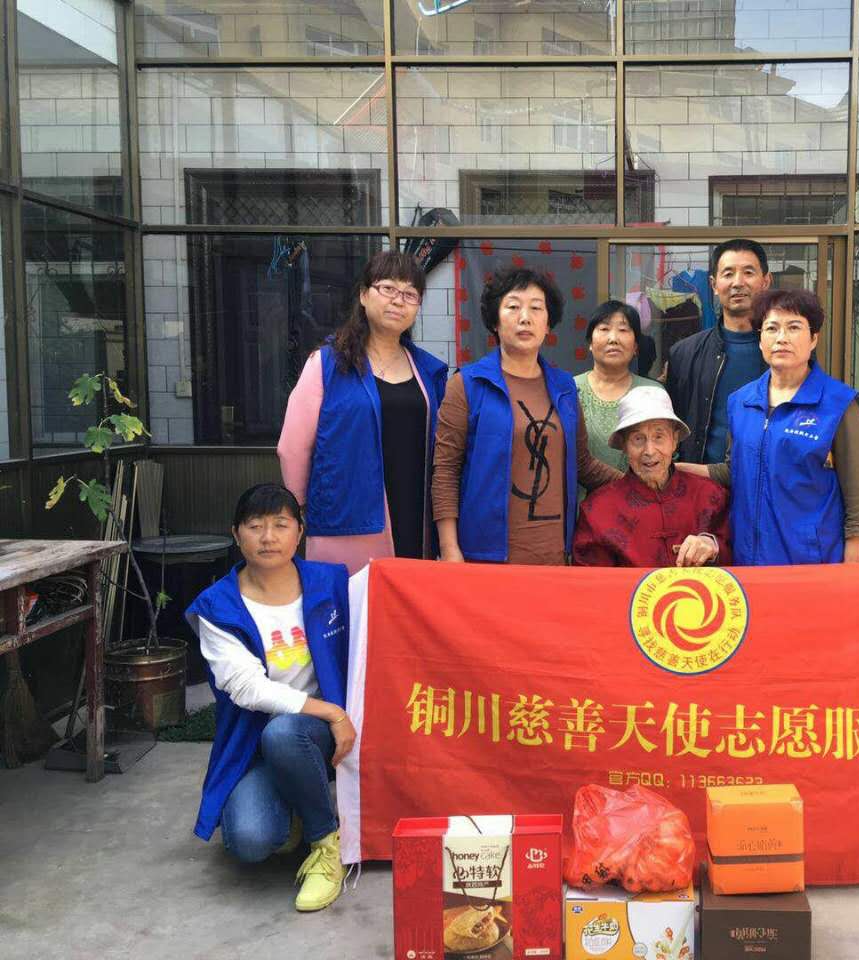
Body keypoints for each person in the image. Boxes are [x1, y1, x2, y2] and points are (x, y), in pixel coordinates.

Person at [186, 483, 352, 912]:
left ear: (299, 532)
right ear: (236, 534)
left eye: (280, 524)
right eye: (255, 526)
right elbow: (248, 687)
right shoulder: (218, 606)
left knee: (285, 734)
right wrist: (332, 712)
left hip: (319, 736)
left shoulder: (332, 583)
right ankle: (299, 800)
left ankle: (325, 844)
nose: (268, 537)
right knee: (250, 841)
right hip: (259, 741)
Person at [432, 267, 621, 565]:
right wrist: (449, 548)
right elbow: (446, 471)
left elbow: (582, 463)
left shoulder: (564, 387)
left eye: (536, 308)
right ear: (495, 321)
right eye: (513, 307)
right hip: (485, 558)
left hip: (555, 556)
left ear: (548, 324)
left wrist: (640, 483)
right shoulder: (467, 385)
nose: (525, 317)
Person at [278, 251, 448, 574]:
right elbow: (292, 447)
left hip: (415, 508)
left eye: (410, 294)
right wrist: (298, 509)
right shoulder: (328, 364)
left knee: (407, 598)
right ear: (363, 295)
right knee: (353, 600)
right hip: (349, 515)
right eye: (388, 289)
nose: (398, 301)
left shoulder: (428, 370)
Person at [681, 289, 859, 565]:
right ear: (760, 340)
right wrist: (677, 469)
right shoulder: (741, 401)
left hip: (812, 560)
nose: (782, 337)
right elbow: (735, 470)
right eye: (772, 328)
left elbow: (858, 492)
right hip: (747, 557)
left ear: (813, 338)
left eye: (794, 327)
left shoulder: (838, 404)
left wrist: (853, 559)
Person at [573, 387, 730, 567]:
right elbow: (591, 580)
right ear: (624, 445)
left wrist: (712, 546)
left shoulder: (710, 496)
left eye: (659, 437)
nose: (649, 451)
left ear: (674, 441)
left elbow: (737, 556)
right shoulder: (597, 510)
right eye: (638, 439)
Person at [664, 239, 772, 464]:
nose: (738, 283)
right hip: (701, 479)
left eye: (748, 272)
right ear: (714, 285)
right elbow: (672, 424)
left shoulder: (785, 351)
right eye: (728, 274)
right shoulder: (684, 354)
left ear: (766, 281)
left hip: (770, 477)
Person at [575, 300, 663, 473]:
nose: (613, 339)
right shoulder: (569, 390)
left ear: (636, 346)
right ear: (590, 343)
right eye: (604, 329)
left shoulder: (653, 392)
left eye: (623, 330)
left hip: (641, 490)